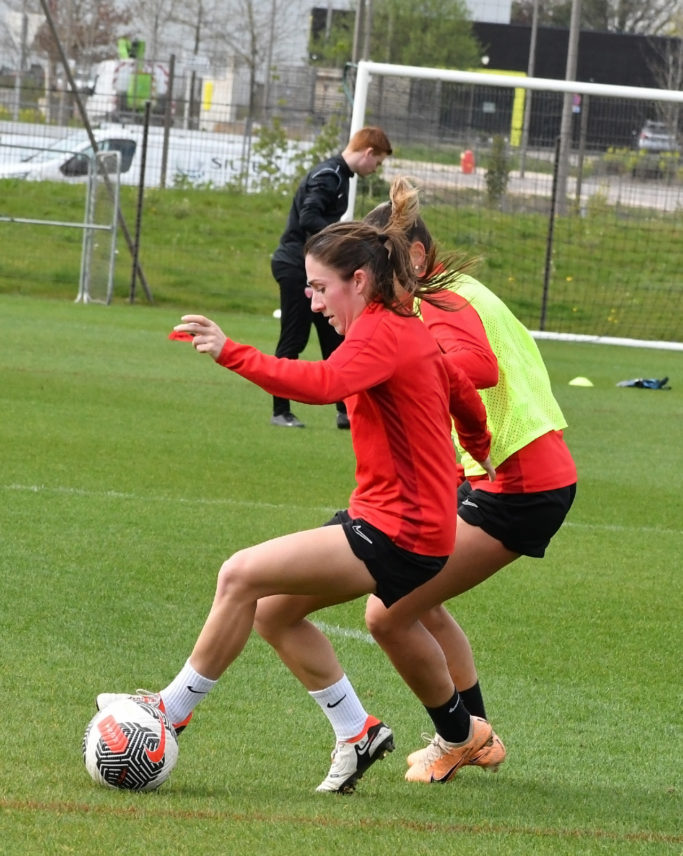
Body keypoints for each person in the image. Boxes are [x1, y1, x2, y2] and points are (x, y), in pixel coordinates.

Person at [97, 218, 495, 793]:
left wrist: (229, 352)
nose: (311, 302)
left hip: (399, 529)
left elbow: (321, 384)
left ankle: (170, 712)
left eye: (318, 288)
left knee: (239, 573)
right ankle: (356, 732)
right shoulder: (405, 328)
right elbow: (467, 401)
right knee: (272, 610)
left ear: (358, 281)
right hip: (404, 523)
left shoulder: (382, 333)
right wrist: (477, 459)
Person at [273, 176, 576, 783]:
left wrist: (415, 366)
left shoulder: (437, 297)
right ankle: (468, 738)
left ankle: (461, 737)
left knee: (388, 612)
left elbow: (481, 367)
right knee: (420, 599)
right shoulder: (441, 293)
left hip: (515, 483)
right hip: (503, 473)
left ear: (410, 257)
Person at [269, 125, 392, 430]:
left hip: (314, 268)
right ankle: (280, 411)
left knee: (333, 336)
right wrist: (345, 237)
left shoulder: (339, 175)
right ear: (367, 153)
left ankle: (344, 409)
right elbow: (308, 217)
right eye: (376, 163)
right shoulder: (329, 175)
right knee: (294, 337)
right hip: (297, 267)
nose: (375, 169)